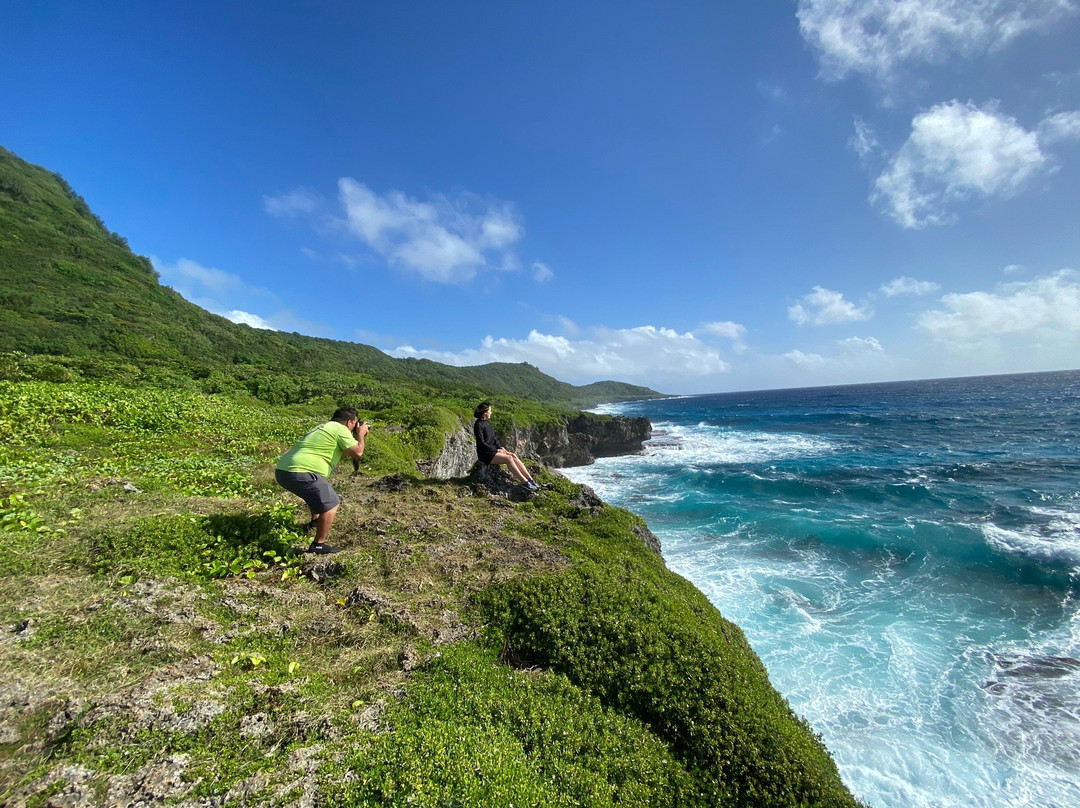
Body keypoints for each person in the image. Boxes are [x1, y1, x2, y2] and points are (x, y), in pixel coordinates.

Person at [275, 407, 369, 554]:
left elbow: (343, 452)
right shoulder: (340, 429)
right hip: (301, 471)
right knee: (331, 503)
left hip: (283, 471)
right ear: (350, 422)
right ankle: (318, 545)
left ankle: (315, 521)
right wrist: (361, 435)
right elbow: (358, 452)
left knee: (314, 494)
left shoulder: (323, 427)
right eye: (355, 423)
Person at [473, 401, 540, 492]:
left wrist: (500, 448)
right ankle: (525, 483)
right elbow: (481, 443)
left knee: (513, 455)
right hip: (485, 454)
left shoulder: (487, 423)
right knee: (508, 458)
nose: (491, 412)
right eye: (490, 411)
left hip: (492, 451)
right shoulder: (478, 425)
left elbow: (493, 439)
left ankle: (530, 480)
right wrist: (496, 451)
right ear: (485, 412)